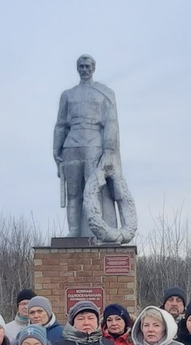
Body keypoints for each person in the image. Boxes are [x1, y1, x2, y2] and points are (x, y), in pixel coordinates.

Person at [54, 54, 134, 242]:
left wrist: (108, 150)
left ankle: (95, 233)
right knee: (74, 193)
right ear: (77, 68)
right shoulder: (68, 95)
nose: (84, 69)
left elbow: (111, 123)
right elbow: (60, 125)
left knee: (95, 191)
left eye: (87, 66)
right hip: (71, 146)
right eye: (81, 66)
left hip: (94, 146)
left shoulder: (105, 93)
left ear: (93, 68)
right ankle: (74, 233)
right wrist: (56, 151)